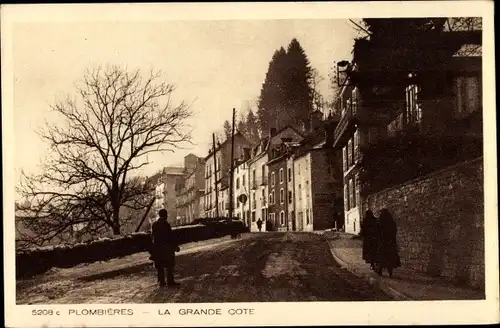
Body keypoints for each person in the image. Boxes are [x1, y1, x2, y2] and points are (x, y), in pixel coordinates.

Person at [150, 209, 180, 287]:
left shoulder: (154, 224)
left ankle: (161, 282)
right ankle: (170, 281)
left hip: (158, 248)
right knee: (169, 265)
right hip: (167, 248)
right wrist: (175, 246)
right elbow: (170, 237)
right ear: (165, 215)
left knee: (160, 266)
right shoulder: (166, 225)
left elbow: (153, 237)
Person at [374, 208, 401, 277]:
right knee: (390, 258)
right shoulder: (391, 222)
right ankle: (390, 272)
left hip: (382, 242)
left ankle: (379, 271)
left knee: (381, 257)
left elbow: (377, 232)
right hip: (391, 242)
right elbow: (394, 231)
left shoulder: (379, 221)